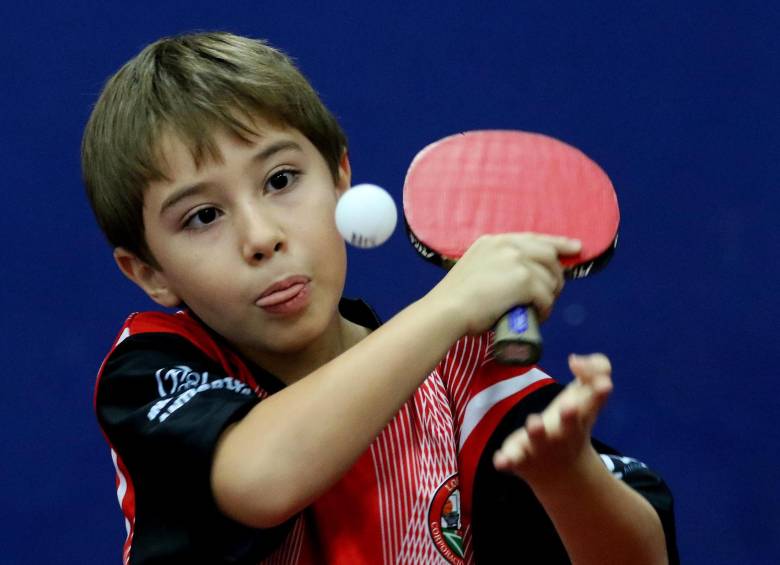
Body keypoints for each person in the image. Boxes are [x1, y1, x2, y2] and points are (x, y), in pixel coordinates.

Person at [83, 31, 677, 564]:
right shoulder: (152, 369)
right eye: (203, 216)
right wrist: (449, 306)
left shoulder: (463, 380)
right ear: (148, 272)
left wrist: (567, 476)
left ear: (340, 177)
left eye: (281, 180)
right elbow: (259, 480)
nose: (261, 237)